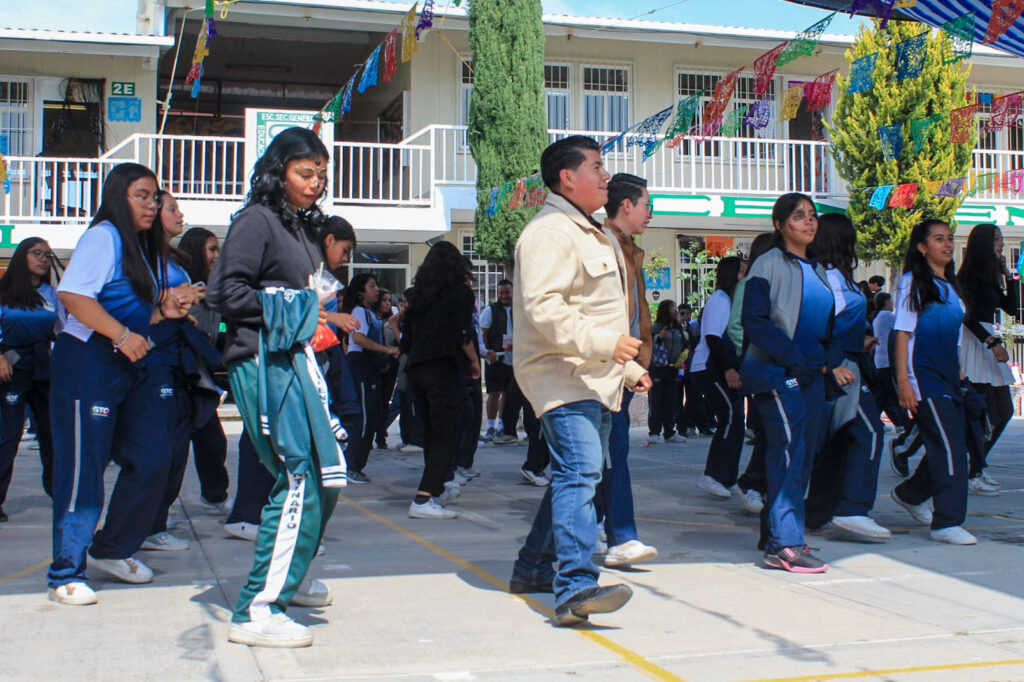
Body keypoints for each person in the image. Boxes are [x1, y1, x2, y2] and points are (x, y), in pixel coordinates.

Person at [207, 127, 346, 647]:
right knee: (300, 477)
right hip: (264, 361)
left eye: (320, 174)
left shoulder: (301, 228)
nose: (314, 183)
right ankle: (257, 610)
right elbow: (224, 291)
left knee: (327, 477)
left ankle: (292, 572)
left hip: (297, 360)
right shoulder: (257, 219)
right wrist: (295, 308)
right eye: (304, 173)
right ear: (278, 172)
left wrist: (310, 310)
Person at [508, 135, 651, 627]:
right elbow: (543, 309)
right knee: (583, 470)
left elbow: (602, 315)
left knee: (575, 475)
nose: (606, 175)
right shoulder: (549, 232)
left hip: (596, 376)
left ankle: (531, 568)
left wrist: (629, 368)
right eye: (597, 166)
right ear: (568, 177)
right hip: (559, 374)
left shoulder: (596, 232)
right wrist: (606, 348)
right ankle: (574, 587)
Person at [48, 162, 191, 606]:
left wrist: (164, 310)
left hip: (130, 367)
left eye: (155, 197)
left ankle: (112, 548)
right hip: (87, 365)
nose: (152, 205)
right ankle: (65, 572)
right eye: (142, 196)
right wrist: (123, 335)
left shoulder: (142, 250)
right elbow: (72, 296)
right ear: (118, 197)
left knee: (154, 456)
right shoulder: (104, 235)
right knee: (83, 471)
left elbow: (130, 309)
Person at [740, 192, 852, 574]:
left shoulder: (821, 271)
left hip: (811, 377)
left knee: (801, 456)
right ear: (779, 224)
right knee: (787, 452)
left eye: (813, 216)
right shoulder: (766, 265)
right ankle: (786, 543)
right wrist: (793, 360)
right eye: (799, 216)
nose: (809, 222)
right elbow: (755, 322)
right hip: (777, 375)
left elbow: (830, 327)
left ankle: (775, 537)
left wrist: (828, 361)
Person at [803, 214, 890, 542]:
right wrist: (831, 361)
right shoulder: (831, 278)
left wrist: (860, 339)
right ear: (842, 241)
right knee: (870, 431)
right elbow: (820, 323)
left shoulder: (833, 276)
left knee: (838, 439)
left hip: (846, 360)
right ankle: (853, 509)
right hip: (840, 366)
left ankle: (819, 511)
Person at [890, 219, 976, 545]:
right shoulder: (913, 282)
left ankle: (910, 494)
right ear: (923, 247)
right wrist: (903, 381)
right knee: (950, 447)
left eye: (950, 239)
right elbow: (902, 334)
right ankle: (947, 522)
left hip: (950, 377)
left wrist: (962, 375)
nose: (947, 244)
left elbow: (952, 338)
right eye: (939, 239)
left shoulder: (951, 287)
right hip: (923, 377)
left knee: (956, 443)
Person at [141, 192, 214, 552]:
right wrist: (177, 296)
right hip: (155, 364)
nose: (179, 214)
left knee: (178, 446)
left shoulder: (174, 260)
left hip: (181, 365)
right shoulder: (142, 258)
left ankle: (157, 518)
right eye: (171, 208)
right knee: (161, 448)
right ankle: (149, 525)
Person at [597, 171, 657, 568]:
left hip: (624, 365)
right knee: (608, 452)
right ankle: (620, 534)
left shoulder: (629, 249)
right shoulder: (601, 245)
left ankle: (600, 528)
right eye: (647, 205)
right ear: (626, 206)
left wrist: (639, 363)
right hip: (602, 364)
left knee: (602, 456)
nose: (650, 213)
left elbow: (637, 315)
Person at [400, 241, 480, 519]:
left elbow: (406, 338)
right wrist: (474, 361)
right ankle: (423, 498)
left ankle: (435, 489)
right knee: (449, 433)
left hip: (417, 369)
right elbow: (463, 333)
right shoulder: (460, 294)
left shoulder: (416, 295)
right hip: (444, 368)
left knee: (433, 434)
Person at [957, 223, 1018, 496]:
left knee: (1004, 411)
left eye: (1001, 240)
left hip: (989, 338)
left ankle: (976, 467)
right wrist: (990, 342)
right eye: (995, 240)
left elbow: (1014, 308)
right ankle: (972, 470)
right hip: (976, 340)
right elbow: (967, 315)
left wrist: (1008, 274)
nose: (1000, 244)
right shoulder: (968, 274)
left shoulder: (992, 275)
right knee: (981, 413)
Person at [0, 238, 58, 522]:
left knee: (51, 435)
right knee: (8, 436)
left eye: (47, 254)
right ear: (22, 256)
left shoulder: (52, 294)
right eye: (36, 253)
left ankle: (59, 492)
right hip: (12, 369)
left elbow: (62, 331)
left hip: (44, 369)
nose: (43, 258)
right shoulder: (4, 292)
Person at [178, 226, 232, 513]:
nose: (216, 256)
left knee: (213, 443)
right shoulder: (185, 288)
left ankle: (215, 495)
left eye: (217, 250)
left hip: (202, 382)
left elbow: (219, 327)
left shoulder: (212, 289)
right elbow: (187, 332)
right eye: (211, 249)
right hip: (181, 379)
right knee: (173, 452)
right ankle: (155, 517)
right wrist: (215, 357)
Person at [726, 232, 777, 515]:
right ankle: (753, 483)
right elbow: (735, 327)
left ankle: (764, 485)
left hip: (780, 366)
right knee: (771, 431)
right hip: (762, 369)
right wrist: (754, 354)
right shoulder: (750, 285)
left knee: (778, 433)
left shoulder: (780, 281)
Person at [693, 257, 747, 502]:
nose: (746, 274)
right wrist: (727, 369)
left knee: (736, 420)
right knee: (730, 417)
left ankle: (728, 477)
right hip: (709, 367)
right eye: (743, 270)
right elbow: (713, 338)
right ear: (733, 273)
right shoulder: (720, 300)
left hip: (720, 367)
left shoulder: (732, 301)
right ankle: (713, 475)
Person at [342, 273, 399, 483]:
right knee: (364, 418)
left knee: (372, 415)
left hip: (369, 368)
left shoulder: (369, 313)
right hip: (360, 368)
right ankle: (351, 465)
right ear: (360, 292)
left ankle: (356, 464)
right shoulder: (360, 312)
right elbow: (358, 338)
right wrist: (385, 349)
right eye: (372, 286)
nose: (376, 290)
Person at [648, 300, 686, 446]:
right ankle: (654, 432)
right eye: (672, 307)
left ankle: (669, 431)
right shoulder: (655, 327)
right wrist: (658, 337)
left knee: (671, 401)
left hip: (673, 369)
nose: (675, 310)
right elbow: (647, 344)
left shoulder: (677, 328)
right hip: (657, 369)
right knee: (656, 401)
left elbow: (684, 345)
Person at [480, 279, 513, 442]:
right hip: (496, 357)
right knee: (494, 392)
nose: (504, 296)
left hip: (514, 357)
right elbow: (483, 333)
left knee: (507, 392)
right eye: (501, 293)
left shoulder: (519, 309)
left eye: (507, 292)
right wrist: (487, 352)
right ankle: (491, 427)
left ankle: (502, 426)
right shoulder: (490, 310)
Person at [375, 287, 399, 449]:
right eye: (384, 300)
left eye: (389, 300)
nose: (387, 303)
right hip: (375, 365)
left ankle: (381, 433)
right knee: (374, 402)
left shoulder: (392, 322)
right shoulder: (373, 319)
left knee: (385, 401)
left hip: (391, 366)